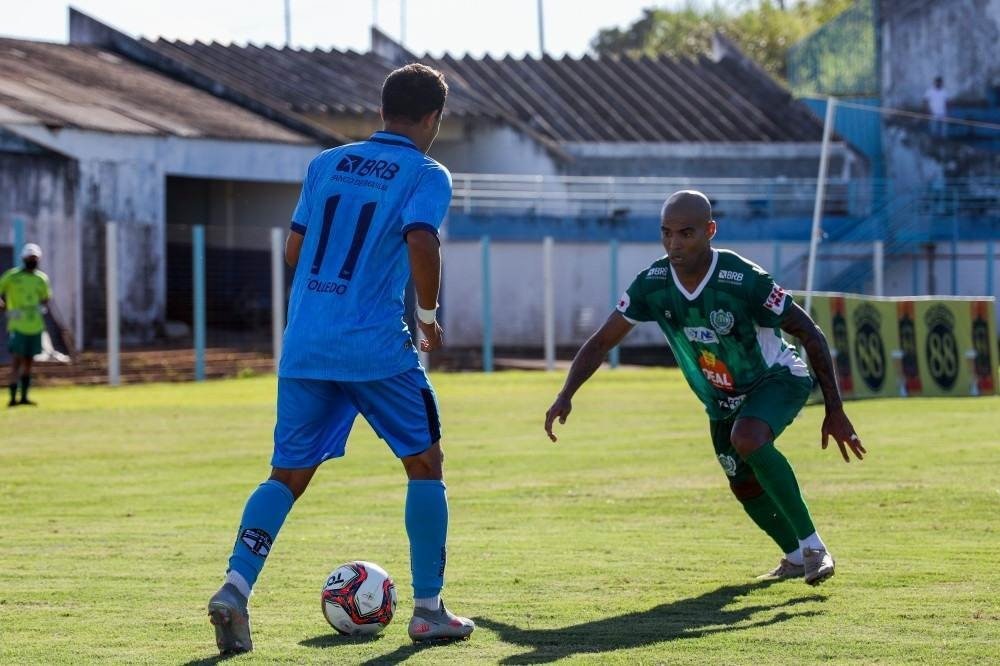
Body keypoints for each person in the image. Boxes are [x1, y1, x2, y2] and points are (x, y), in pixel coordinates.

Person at [207, 63, 474, 655]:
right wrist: (427, 319)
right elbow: (422, 239)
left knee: (287, 475)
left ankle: (235, 586)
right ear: (433, 118)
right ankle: (428, 610)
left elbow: (294, 249)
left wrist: (327, 297)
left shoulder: (325, 164)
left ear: (382, 109)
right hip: (376, 347)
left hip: (305, 343)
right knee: (425, 463)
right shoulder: (427, 171)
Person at [544, 190, 866, 586]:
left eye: (686, 234)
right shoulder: (653, 283)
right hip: (720, 399)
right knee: (742, 481)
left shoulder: (743, 279)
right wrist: (566, 393)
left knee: (747, 438)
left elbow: (810, 333)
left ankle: (815, 547)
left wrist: (835, 409)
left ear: (710, 231)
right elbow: (600, 342)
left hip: (777, 377)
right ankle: (796, 556)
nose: (674, 244)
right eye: (666, 234)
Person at [0, 243, 50, 407]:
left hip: (35, 325)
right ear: (23, 258)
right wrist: (4, 306)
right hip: (17, 325)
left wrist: (40, 308)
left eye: (34, 258)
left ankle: (24, 397)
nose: (32, 261)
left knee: (29, 361)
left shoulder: (41, 279)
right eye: (29, 258)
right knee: (17, 360)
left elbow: (46, 298)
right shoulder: (12, 276)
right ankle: (13, 397)